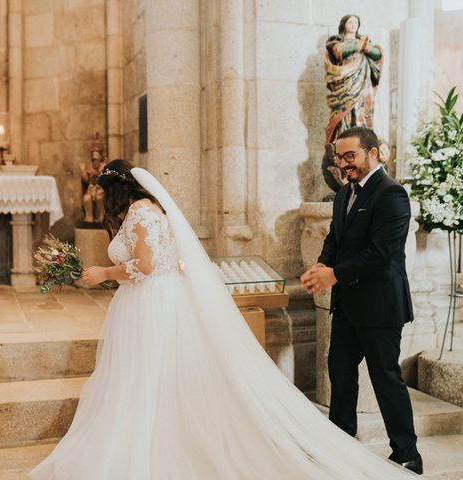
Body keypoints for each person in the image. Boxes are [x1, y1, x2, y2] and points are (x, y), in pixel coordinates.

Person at [30, 159, 418, 479]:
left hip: (151, 301)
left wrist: (102, 273)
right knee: (146, 376)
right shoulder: (145, 210)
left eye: (102, 192)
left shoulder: (141, 212)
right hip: (148, 301)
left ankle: (150, 448)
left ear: (114, 190)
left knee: (148, 375)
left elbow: (146, 265)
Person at [301, 127, 422, 475]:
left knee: (385, 378)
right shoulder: (343, 195)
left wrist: (334, 275)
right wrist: (323, 265)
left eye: (349, 156)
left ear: (372, 153)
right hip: (348, 304)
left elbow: (381, 253)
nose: (343, 164)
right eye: (339, 158)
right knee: (339, 371)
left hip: (381, 305)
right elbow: (335, 237)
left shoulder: (392, 194)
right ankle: (341, 442)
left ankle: (407, 453)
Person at [325, 15, 383, 144]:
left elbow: (377, 54)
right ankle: (343, 139)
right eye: (350, 22)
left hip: (363, 82)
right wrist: (358, 47)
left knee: (361, 109)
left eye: (356, 22)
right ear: (344, 24)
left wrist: (366, 47)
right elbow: (338, 51)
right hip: (345, 81)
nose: (353, 25)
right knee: (345, 112)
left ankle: (361, 140)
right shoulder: (337, 41)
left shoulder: (364, 41)